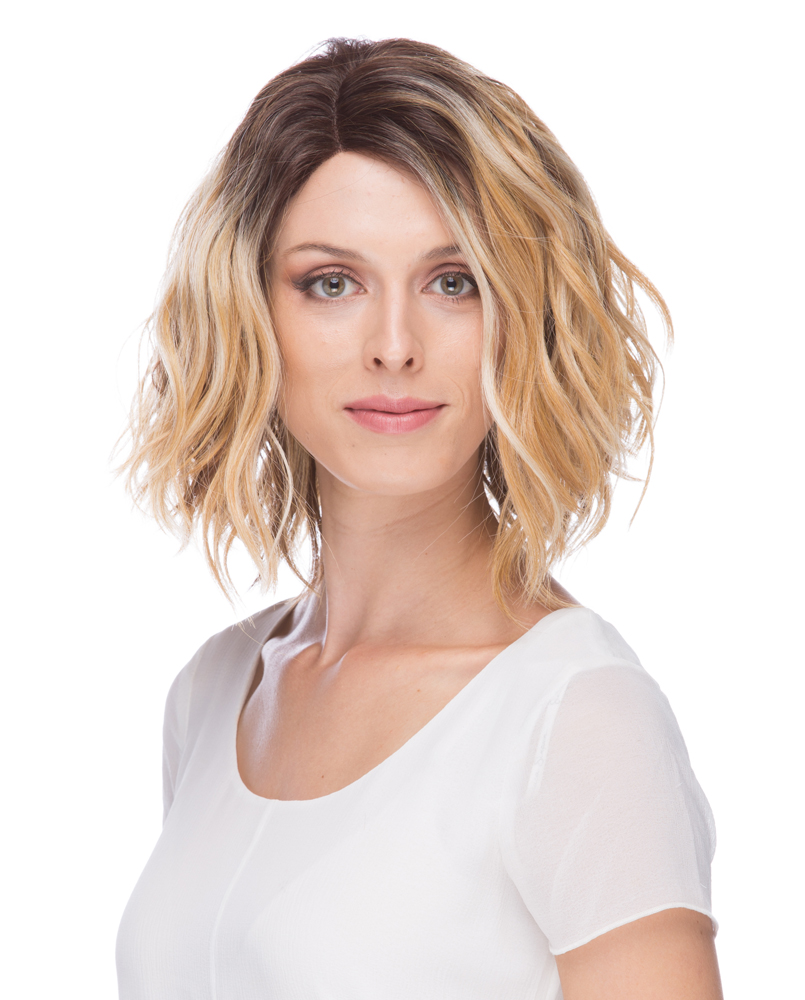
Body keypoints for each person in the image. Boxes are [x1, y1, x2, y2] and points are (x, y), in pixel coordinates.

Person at [115, 37, 723, 1000]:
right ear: (250, 313)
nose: (393, 346)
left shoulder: (578, 718)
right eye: (331, 282)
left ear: (522, 316)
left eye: (453, 282)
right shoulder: (214, 693)